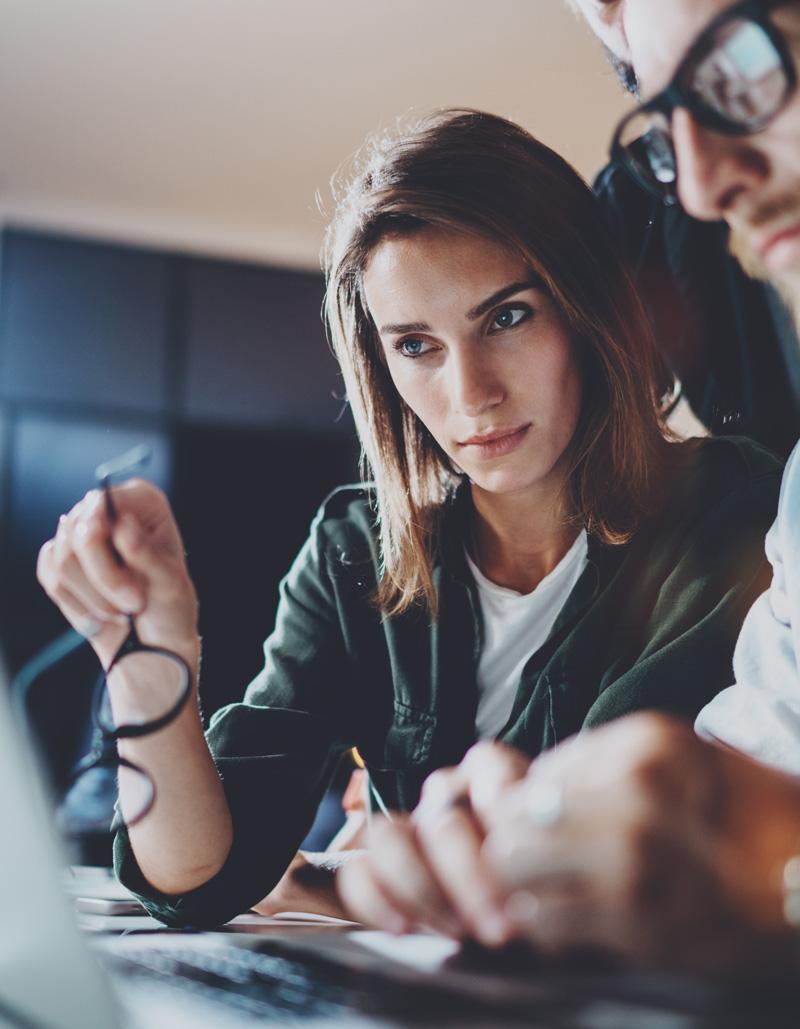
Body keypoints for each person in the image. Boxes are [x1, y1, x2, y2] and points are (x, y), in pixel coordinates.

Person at [37, 109, 780, 931]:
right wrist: (146, 654)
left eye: (507, 317)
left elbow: (582, 841)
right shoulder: (355, 550)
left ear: (586, 310)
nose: (471, 394)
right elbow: (199, 877)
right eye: (417, 345)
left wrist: (335, 883)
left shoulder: (723, 509)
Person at [337, 1, 800, 970]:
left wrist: (767, 851)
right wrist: (539, 849)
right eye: (666, 113)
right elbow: (742, 774)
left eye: (742, 62)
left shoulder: (721, 502)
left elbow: (761, 832)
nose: (705, 187)